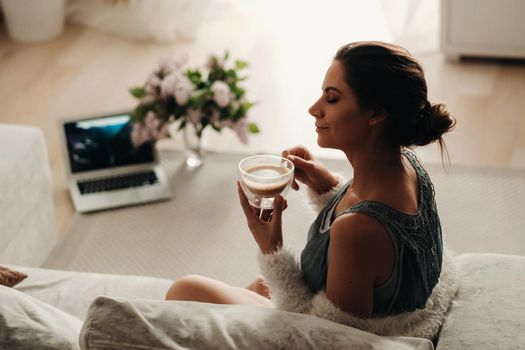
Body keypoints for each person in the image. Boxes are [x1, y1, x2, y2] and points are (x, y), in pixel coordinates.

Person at [165, 41, 458, 340]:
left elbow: (323, 338)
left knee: (186, 290)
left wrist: (272, 250)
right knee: (254, 288)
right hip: (386, 309)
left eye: (331, 99)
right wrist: (326, 186)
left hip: (328, 336)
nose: (314, 109)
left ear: (374, 114)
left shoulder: (356, 230)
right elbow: (382, 244)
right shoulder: (407, 166)